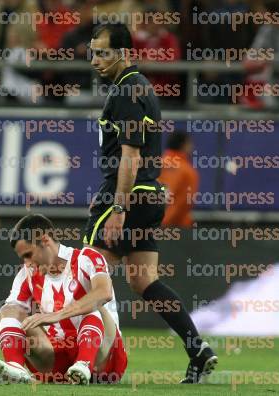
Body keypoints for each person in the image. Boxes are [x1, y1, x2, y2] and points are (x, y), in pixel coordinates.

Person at [84, 22, 217, 383]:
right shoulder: (138, 88)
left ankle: (94, 363)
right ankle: (197, 349)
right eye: (92, 52)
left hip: (127, 196)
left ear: (125, 53)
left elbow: (130, 154)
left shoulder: (127, 91)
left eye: (104, 53)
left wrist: (118, 207)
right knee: (144, 281)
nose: (96, 60)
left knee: (85, 276)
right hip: (151, 195)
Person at [0, 214, 127, 385]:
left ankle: (84, 363)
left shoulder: (87, 258)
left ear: (45, 240)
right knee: (11, 309)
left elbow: (104, 293)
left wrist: (58, 315)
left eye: (29, 254)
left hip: (102, 358)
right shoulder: (27, 273)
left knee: (93, 304)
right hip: (56, 359)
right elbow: (11, 308)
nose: (27, 262)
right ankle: (15, 367)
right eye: (23, 258)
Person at [159, 132, 198, 228]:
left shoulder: (154, 165)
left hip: (149, 227)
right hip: (177, 228)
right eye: (189, 143)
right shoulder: (188, 171)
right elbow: (184, 203)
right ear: (184, 145)